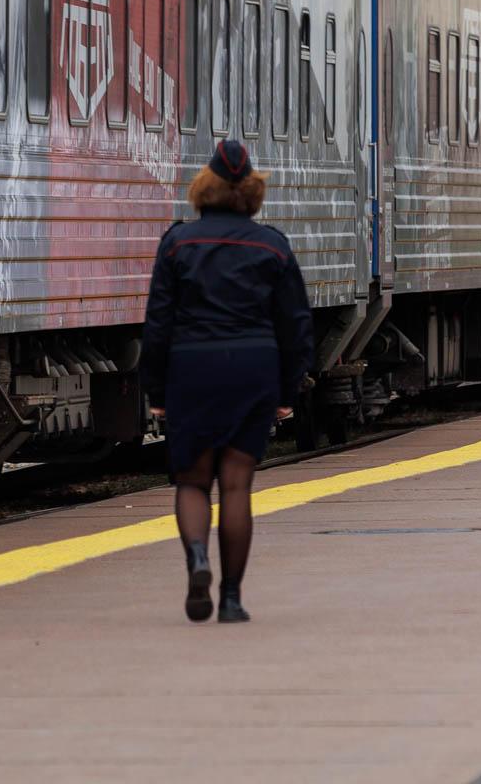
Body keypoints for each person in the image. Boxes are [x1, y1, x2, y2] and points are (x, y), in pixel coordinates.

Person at [141, 139, 313, 624]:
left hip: (192, 370)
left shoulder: (178, 243)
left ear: (205, 187)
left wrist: (157, 393)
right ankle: (232, 600)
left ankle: (198, 559)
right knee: (236, 487)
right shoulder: (272, 245)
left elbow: (157, 325)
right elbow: (295, 325)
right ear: (252, 191)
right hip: (252, 370)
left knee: (194, 483)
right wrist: (286, 388)